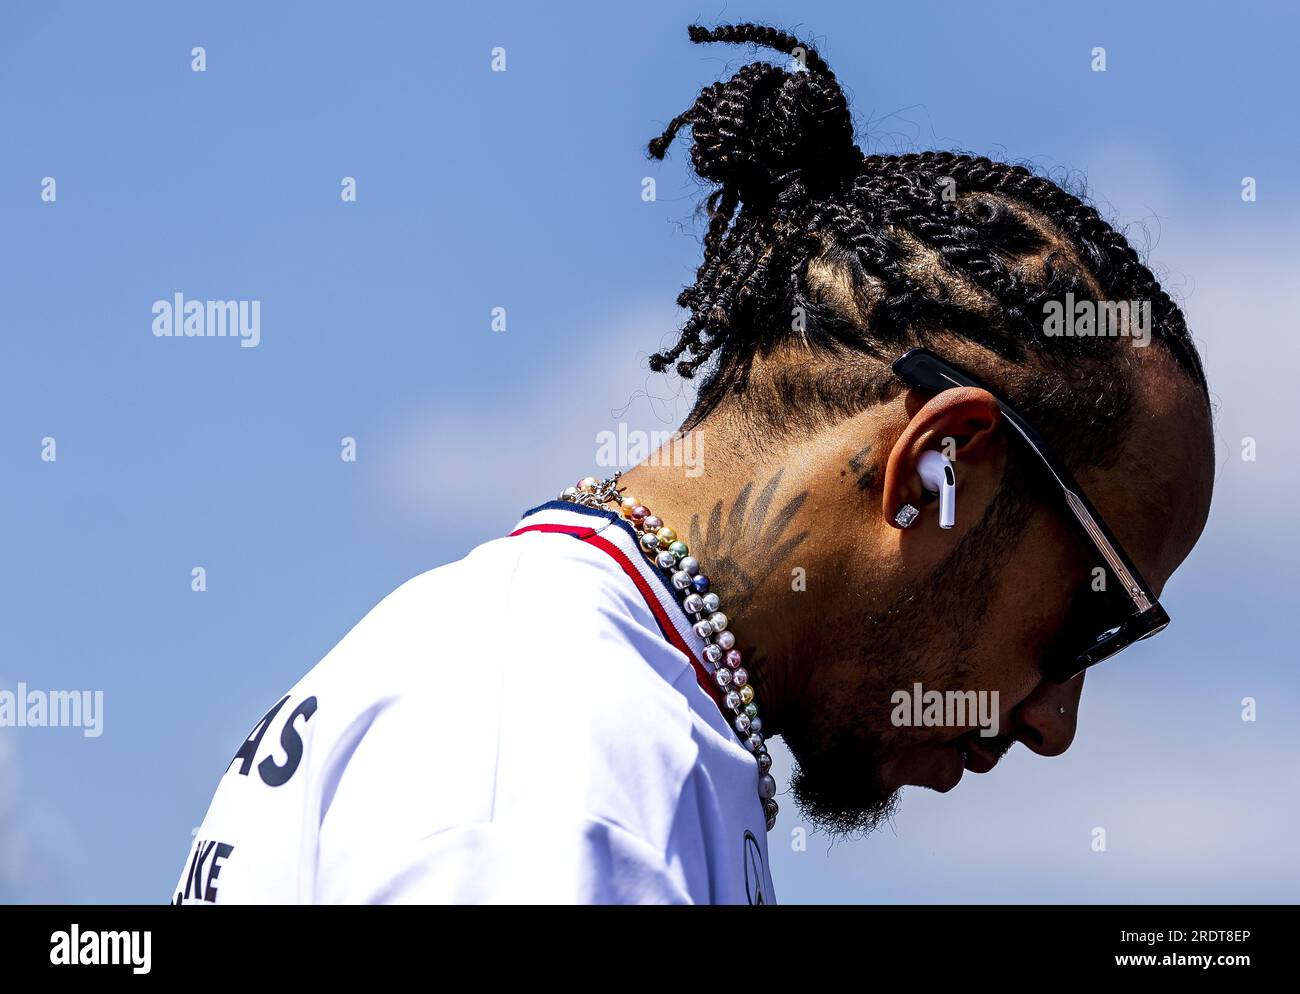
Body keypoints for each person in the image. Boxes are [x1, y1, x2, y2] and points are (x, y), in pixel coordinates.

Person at [173, 22, 1213, 906]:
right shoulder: (567, 764)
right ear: (941, 466)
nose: (1054, 722)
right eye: (1092, 615)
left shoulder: (558, 687)